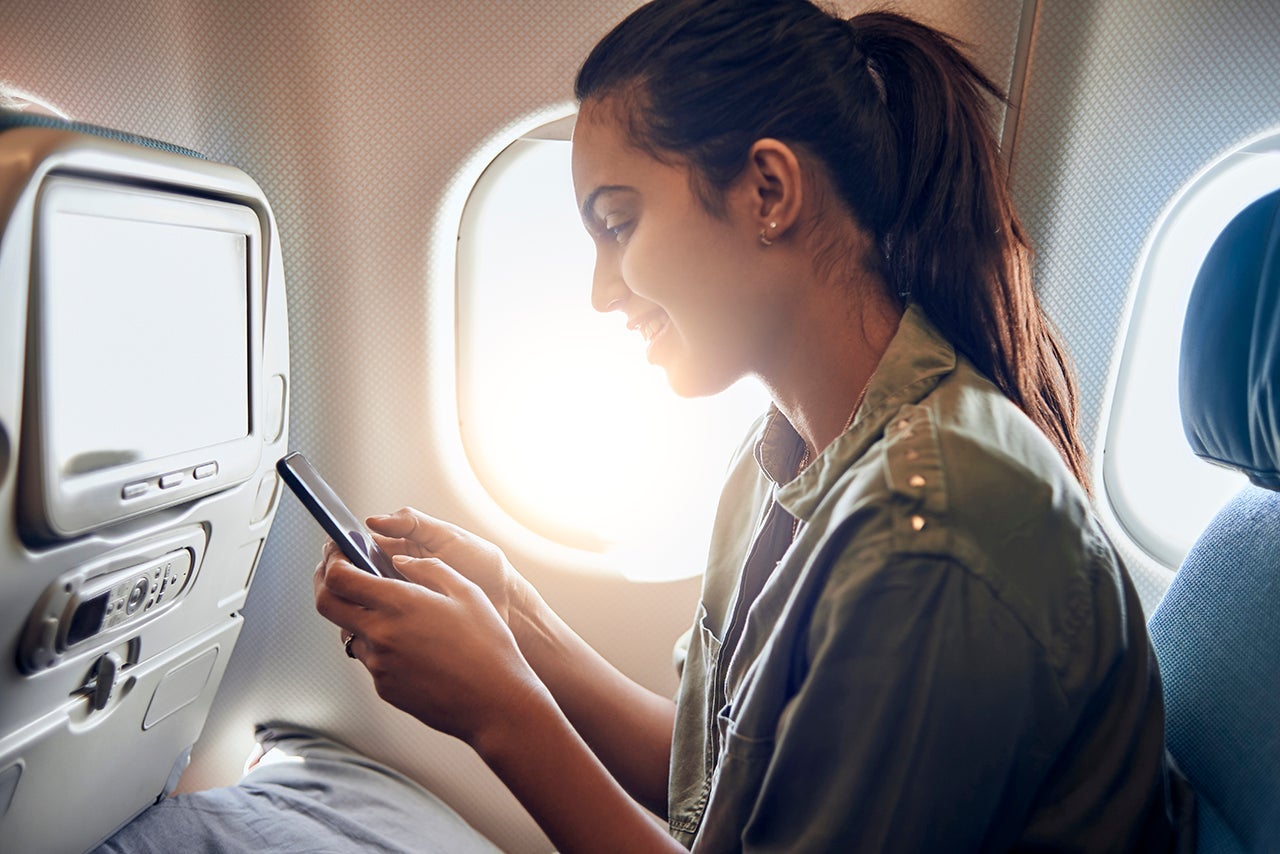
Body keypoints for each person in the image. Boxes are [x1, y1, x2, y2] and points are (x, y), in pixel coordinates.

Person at [103, 1, 1188, 850]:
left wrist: (498, 707)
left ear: (768, 190)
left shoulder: (934, 527)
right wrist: (515, 614)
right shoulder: (785, 450)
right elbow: (714, 778)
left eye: (616, 223)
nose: (597, 291)